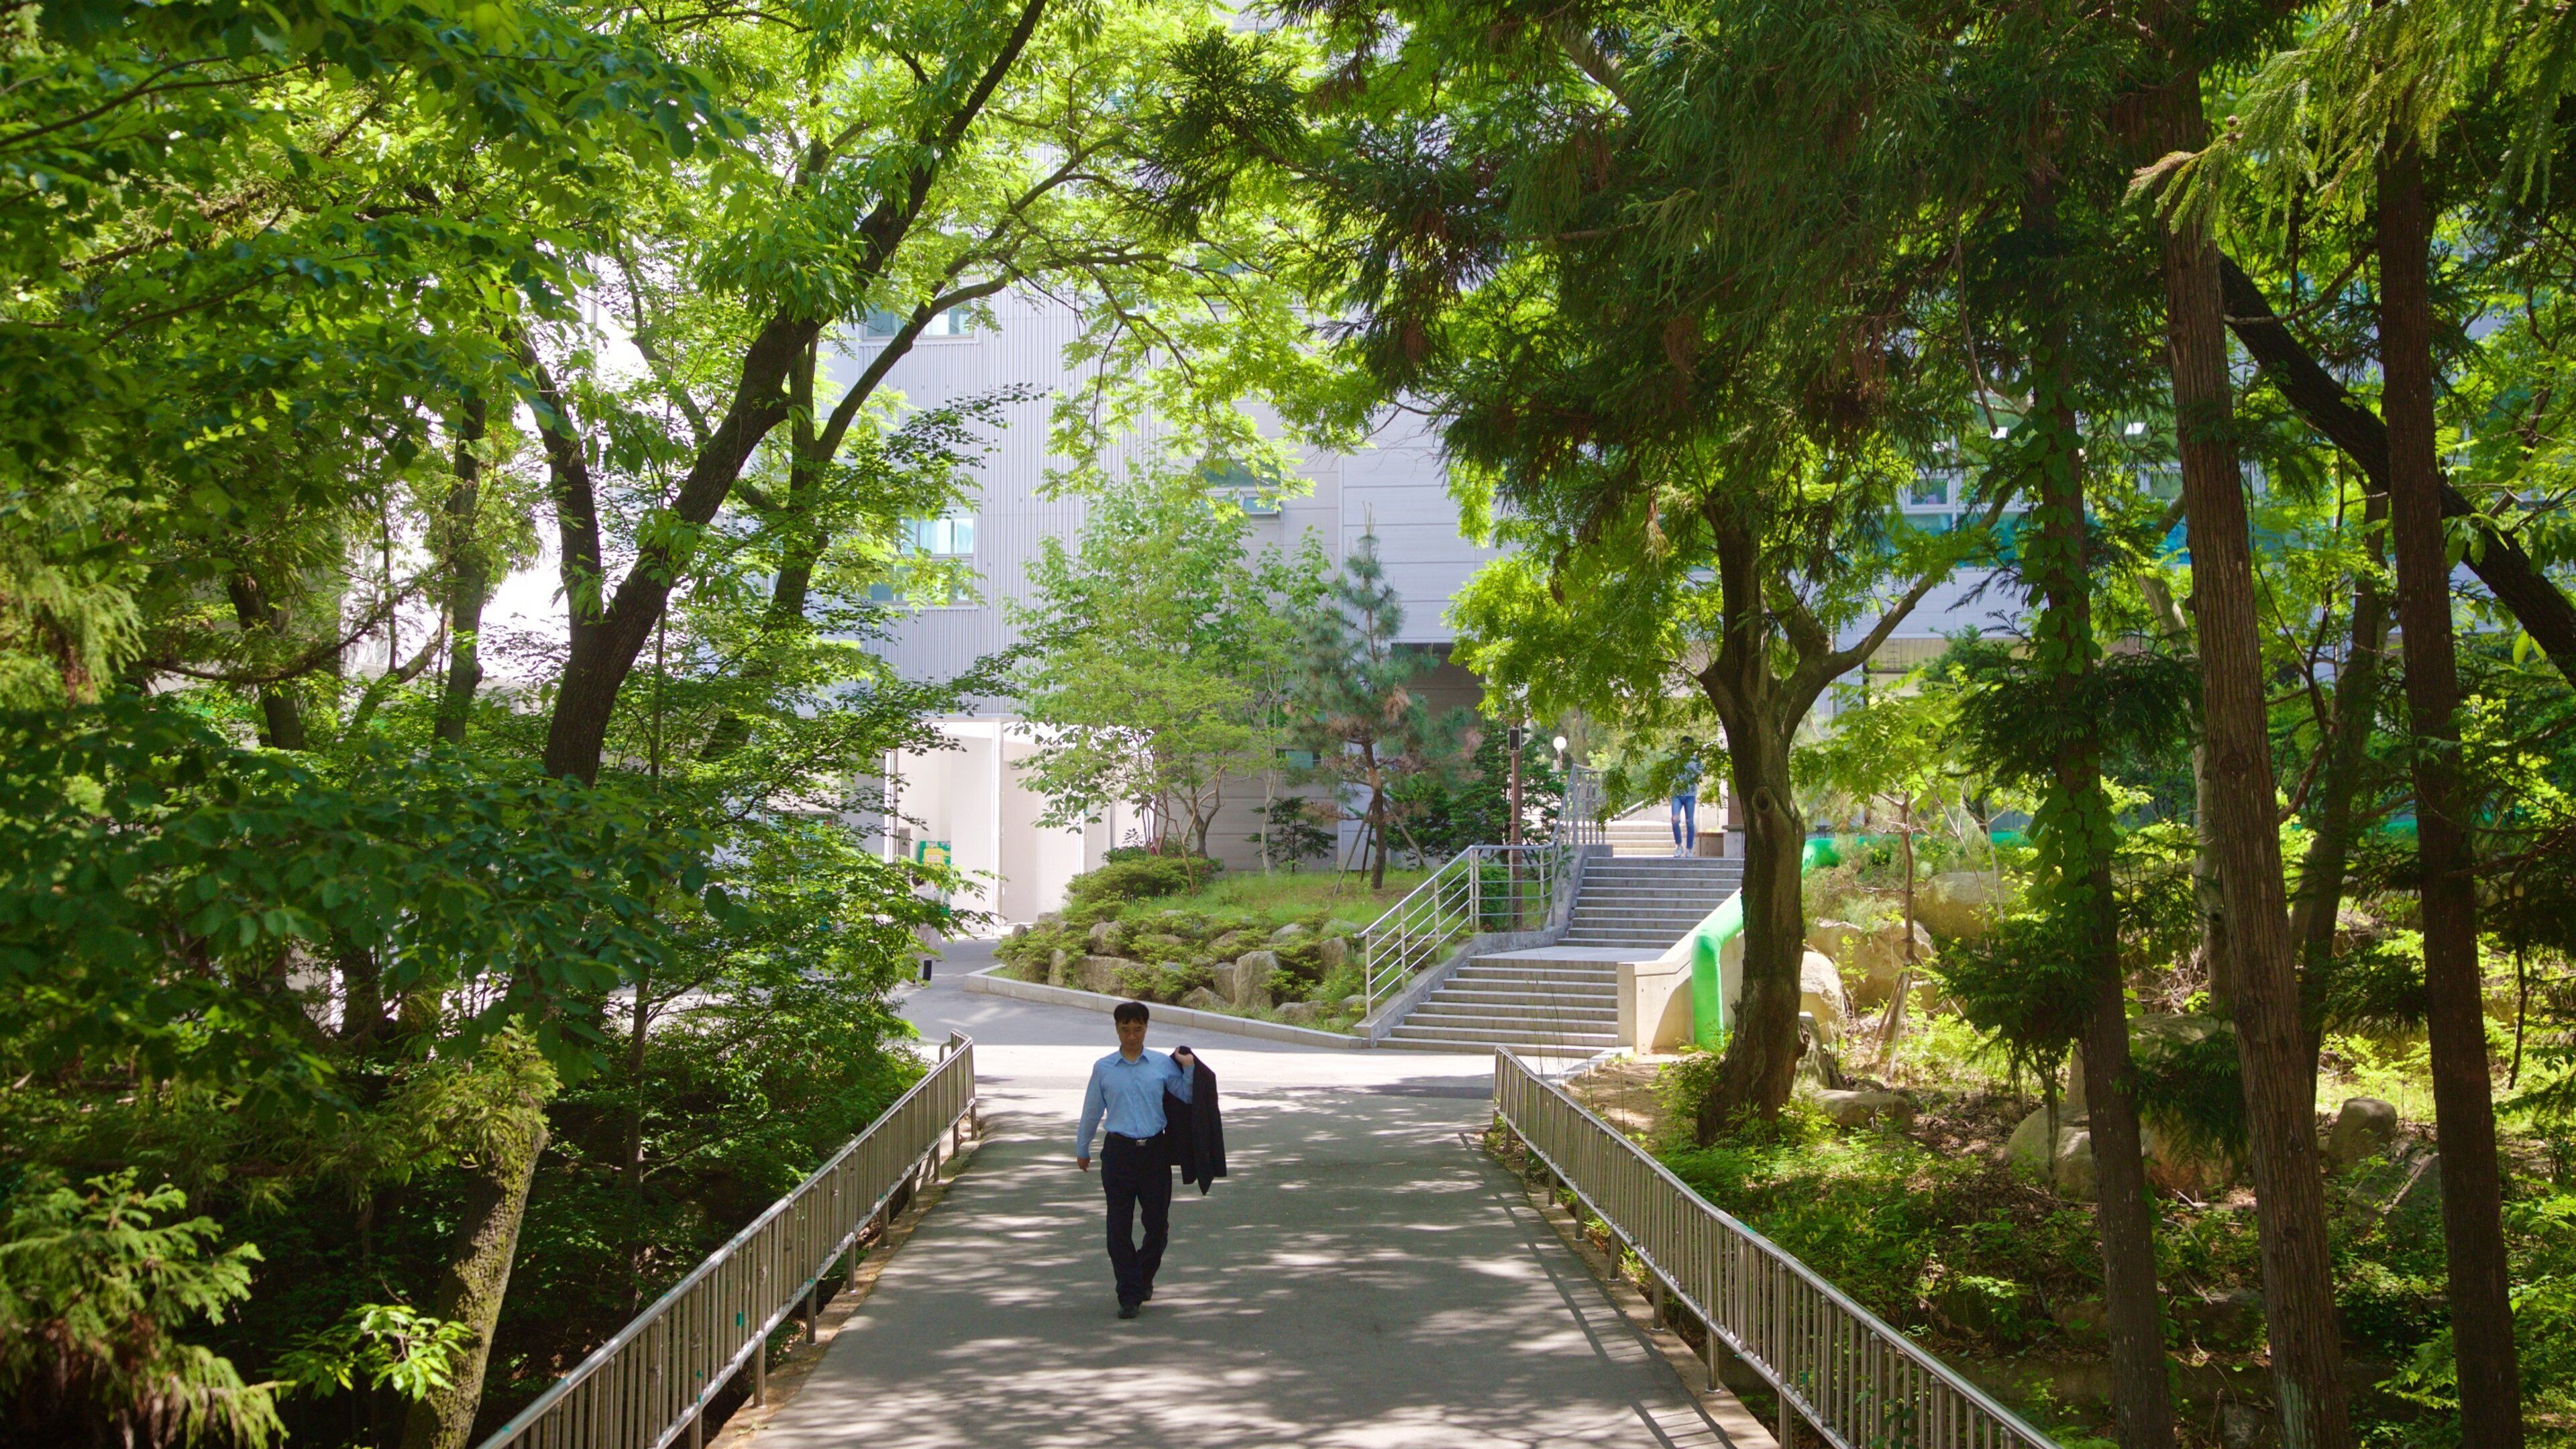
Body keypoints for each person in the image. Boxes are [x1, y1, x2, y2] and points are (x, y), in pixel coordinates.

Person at [1075, 1002, 1196, 1318]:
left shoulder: (1160, 1064)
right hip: (1118, 1153)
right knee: (1118, 1226)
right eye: (1125, 1030)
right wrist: (1083, 1147)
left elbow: (1186, 1096)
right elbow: (1092, 1110)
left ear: (1146, 1028)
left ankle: (1143, 1277)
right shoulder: (1104, 1068)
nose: (1132, 1036)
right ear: (1117, 1029)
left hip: (1155, 1153)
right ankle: (1128, 1293)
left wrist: (1188, 1067)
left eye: (1138, 1029)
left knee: (1157, 1225)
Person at [1670, 739, 1703, 857]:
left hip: (1690, 794)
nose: (1685, 748)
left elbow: (1700, 771)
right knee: (1675, 821)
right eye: (1683, 746)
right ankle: (1679, 846)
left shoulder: (1696, 759)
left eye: (1688, 746)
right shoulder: (1675, 759)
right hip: (1677, 794)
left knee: (1690, 822)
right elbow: (1669, 773)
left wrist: (1691, 764)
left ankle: (1689, 849)